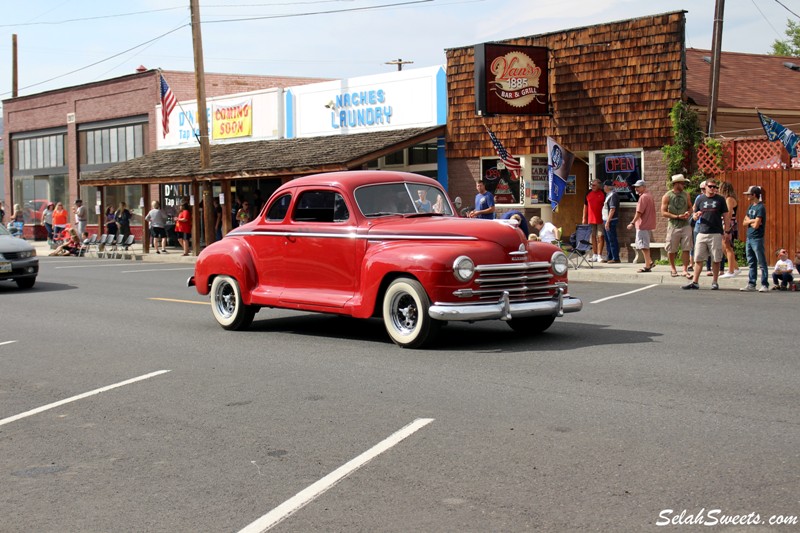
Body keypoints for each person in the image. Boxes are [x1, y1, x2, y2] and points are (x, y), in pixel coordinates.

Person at [683, 178, 730, 290]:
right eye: (711, 187)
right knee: (698, 258)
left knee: (716, 259)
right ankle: (695, 282)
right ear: (705, 187)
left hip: (716, 233)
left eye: (715, 187)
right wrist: (695, 216)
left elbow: (726, 216)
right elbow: (693, 215)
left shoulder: (720, 199)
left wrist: (727, 231)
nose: (713, 189)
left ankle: (714, 282)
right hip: (702, 232)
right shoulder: (700, 199)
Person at [661, 174, 693, 278]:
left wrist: (688, 213)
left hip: (685, 225)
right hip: (673, 225)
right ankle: (673, 268)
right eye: (682, 183)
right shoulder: (667, 196)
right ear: (676, 184)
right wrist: (677, 216)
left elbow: (690, 207)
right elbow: (663, 212)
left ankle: (684, 269)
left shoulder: (686, 194)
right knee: (671, 249)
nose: (684, 185)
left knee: (686, 248)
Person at [740, 185, 768, 292]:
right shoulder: (750, 207)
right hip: (749, 237)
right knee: (751, 262)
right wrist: (752, 220)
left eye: (749, 194)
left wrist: (750, 221)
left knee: (761, 262)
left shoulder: (761, 207)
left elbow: (757, 225)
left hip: (757, 238)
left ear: (754, 195)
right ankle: (752, 283)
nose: (747, 196)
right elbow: (744, 222)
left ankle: (764, 284)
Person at [627, 180, 657, 272]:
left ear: (644, 187)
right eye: (635, 187)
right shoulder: (649, 195)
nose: (636, 189)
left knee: (644, 246)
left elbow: (639, 212)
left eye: (638, 187)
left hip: (643, 225)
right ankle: (650, 261)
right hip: (647, 225)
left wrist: (632, 223)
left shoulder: (643, 197)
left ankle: (647, 266)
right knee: (643, 245)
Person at [718, 181, 740, 278]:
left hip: (729, 224)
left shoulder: (729, 199)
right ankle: (735, 267)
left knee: (728, 247)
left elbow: (729, 214)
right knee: (724, 247)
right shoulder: (728, 199)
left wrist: (725, 227)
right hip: (728, 223)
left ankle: (731, 271)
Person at [582, 178, 606, 262]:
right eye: (591, 185)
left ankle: (599, 255)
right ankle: (594, 254)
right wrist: (584, 218)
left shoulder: (603, 193)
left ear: (599, 185)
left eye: (594, 185)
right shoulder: (588, 193)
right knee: (592, 237)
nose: (592, 186)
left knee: (600, 236)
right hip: (591, 219)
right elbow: (585, 206)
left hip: (601, 219)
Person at [601, 180, 621, 263]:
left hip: (610, 221)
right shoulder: (608, 195)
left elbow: (612, 209)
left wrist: (608, 222)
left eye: (605, 186)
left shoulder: (613, 195)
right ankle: (609, 256)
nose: (604, 187)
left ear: (608, 187)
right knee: (608, 239)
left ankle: (615, 257)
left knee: (612, 239)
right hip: (606, 219)